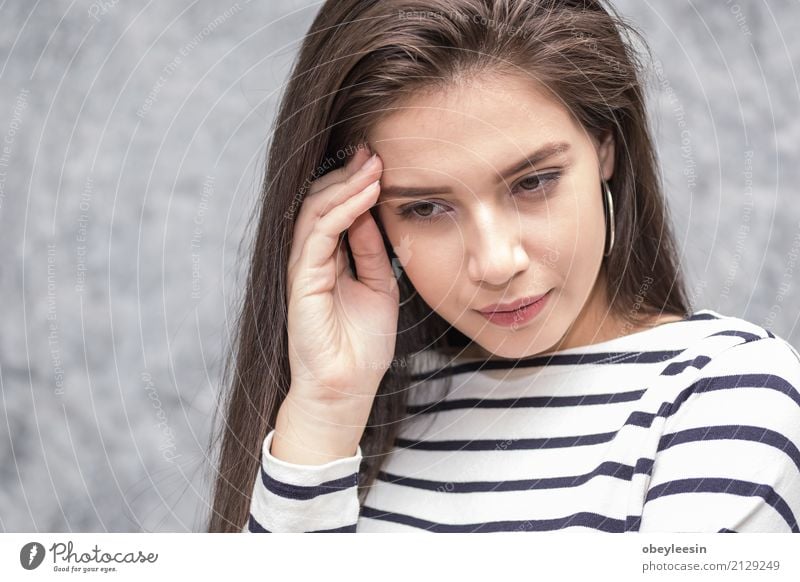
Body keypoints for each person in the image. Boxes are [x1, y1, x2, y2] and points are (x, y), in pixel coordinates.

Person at [207, 0, 800, 533]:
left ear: (605, 146)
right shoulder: (363, 414)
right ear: (363, 221)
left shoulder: (722, 393)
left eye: (533, 181)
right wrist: (327, 409)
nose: (495, 263)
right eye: (427, 208)